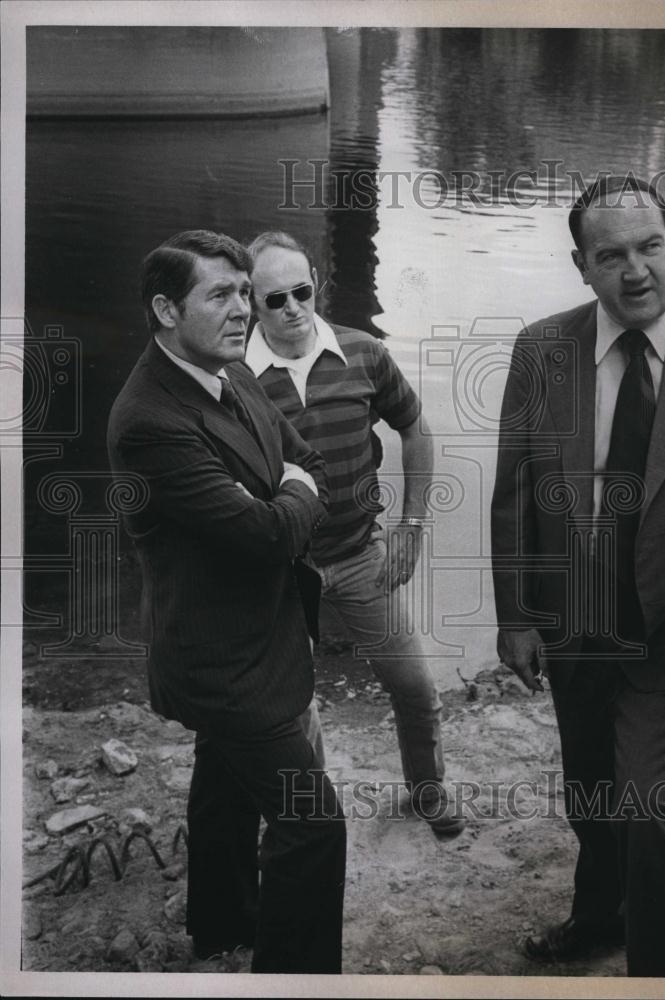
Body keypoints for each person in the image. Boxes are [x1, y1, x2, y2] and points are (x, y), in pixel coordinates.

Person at [491, 175, 665, 977]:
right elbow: (513, 492)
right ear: (581, 266)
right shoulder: (541, 349)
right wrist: (515, 615)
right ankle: (598, 916)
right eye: (609, 255)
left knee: (646, 795)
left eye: (650, 246)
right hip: (578, 613)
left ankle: (658, 975)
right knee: (590, 786)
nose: (635, 269)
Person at [107, 230, 346, 973]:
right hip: (224, 665)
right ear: (164, 310)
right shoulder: (151, 421)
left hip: (256, 639)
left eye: (245, 292)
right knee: (313, 825)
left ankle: (221, 924)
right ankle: (292, 981)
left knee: (224, 787)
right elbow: (267, 534)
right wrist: (283, 501)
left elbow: (307, 461)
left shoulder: (228, 369)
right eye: (221, 294)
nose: (244, 308)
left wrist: (283, 493)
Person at [245, 230, 464, 837]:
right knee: (290, 710)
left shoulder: (363, 352)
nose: (292, 308)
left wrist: (412, 524)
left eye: (302, 291)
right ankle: (311, 820)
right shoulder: (234, 374)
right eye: (274, 299)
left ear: (316, 283)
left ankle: (428, 791)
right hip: (280, 574)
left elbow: (416, 428)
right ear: (251, 301)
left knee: (417, 689)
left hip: (361, 556)